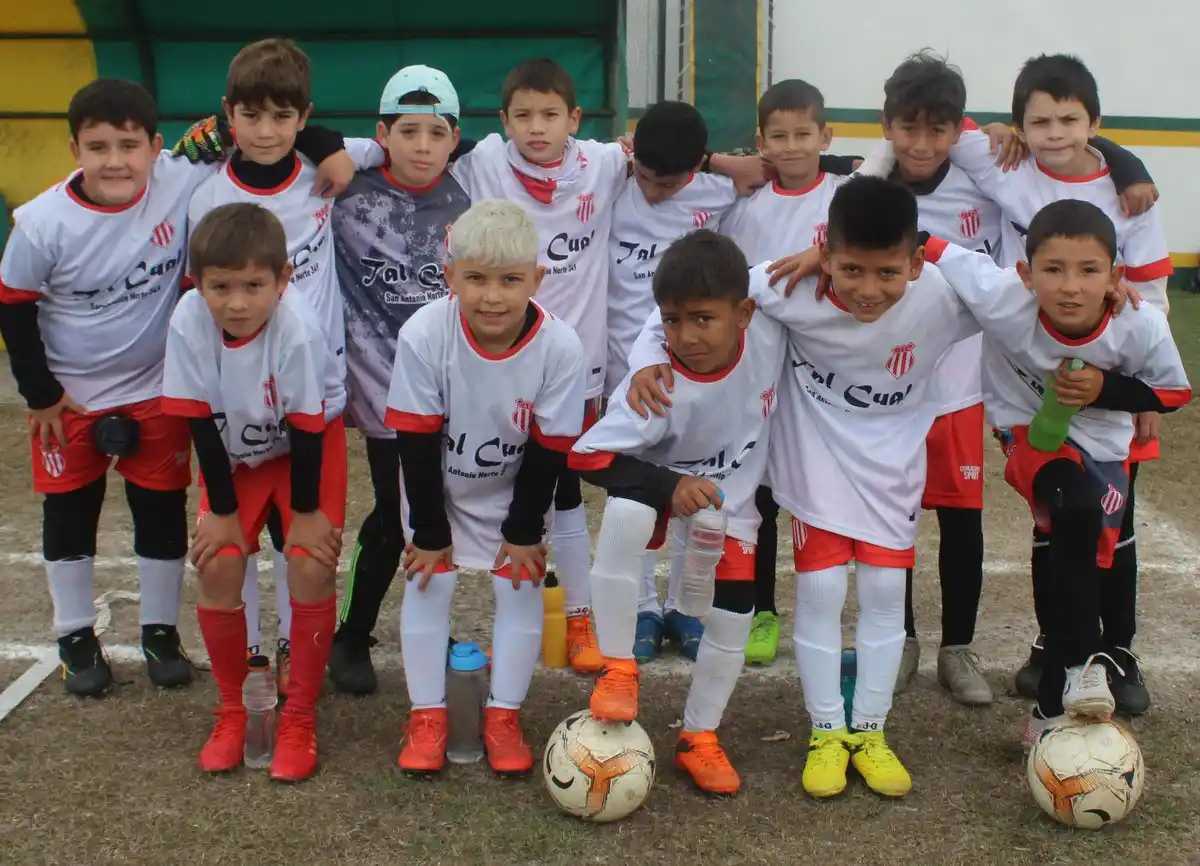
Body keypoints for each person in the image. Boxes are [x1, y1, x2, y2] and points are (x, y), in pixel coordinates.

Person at [627, 177, 990, 799]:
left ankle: (870, 732)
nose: (868, 290)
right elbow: (692, 296)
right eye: (850, 269)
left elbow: (1016, 296)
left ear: (914, 260)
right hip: (818, 463)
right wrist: (643, 357)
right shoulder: (787, 284)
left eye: (887, 273)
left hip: (893, 469)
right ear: (826, 252)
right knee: (820, 590)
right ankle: (826, 731)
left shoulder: (944, 296)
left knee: (883, 591)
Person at [450, 59, 762, 673]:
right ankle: (591, 607)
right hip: (545, 362)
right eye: (524, 116)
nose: (652, 187)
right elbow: (408, 139)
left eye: (550, 116)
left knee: (589, 487)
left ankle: (615, 614)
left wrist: (726, 164)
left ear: (573, 120)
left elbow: (784, 170)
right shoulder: (597, 167)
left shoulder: (629, 171)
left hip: (612, 369)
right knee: (550, 488)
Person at [944, 53, 1170, 713]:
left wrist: (1140, 389)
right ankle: (1057, 645)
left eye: (1070, 119)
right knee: (1055, 516)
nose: (1054, 132)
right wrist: (989, 130)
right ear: (1019, 126)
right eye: (1037, 120)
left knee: (1114, 519)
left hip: (1107, 382)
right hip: (1026, 381)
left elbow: (1151, 294)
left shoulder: (1129, 195)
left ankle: (1116, 651)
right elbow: (924, 119)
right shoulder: (1003, 165)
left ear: (1093, 123)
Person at [918, 199, 1189, 740]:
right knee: (1075, 510)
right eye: (1053, 270)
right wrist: (822, 249)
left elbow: (1173, 392)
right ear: (1024, 274)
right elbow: (920, 237)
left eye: (1089, 271)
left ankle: (1047, 712)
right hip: (1029, 435)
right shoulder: (1000, 293)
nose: (1070, 286)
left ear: (1116, 276)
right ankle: (1080, 667)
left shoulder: (1138, 325)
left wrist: (1105, 388)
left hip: (1103, 448)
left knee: (1082, 548)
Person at [0, 78, 219, 696]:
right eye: (98, 147)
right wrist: (39, 392)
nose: (115, 161)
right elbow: (14, 306)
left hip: (155, 386)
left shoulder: (180, 175)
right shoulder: (43, 223)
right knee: (70, 511)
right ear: (74, 149)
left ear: (155, 146)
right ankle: (74, 636)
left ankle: (158, 633)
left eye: (129, 145)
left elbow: (257, 116)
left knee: (159, 510)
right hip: (69, 395)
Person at [186, 38, 380, 693]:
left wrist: (333, 147)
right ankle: (245, 675)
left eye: (283, 116)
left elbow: (406, 142)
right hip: (237, 411)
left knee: (307, 550)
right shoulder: (204, 193)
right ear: (227, 116)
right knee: (225, 554)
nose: (266, 131)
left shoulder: (321, 173)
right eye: (251, 115)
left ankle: (302, 666)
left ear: (304, 116)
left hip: (313, 404)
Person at [572, 229, 785, 795]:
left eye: (701, 320)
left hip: (729, 511)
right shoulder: (657, 384)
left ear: (743, 314)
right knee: (626, 512)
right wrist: (668, 485)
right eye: (671, 320)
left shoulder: (772, 332)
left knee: (736, 615)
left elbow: (804, 280)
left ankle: (699, 737)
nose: (684, 336)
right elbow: (585, 456)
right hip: (666, 501)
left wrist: (816, 256)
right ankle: (619, 668)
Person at [386, 200, 586, 776]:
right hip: (438, 487)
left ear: (537, 279)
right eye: (475, 279)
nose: (492, 296)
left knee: (520, 585)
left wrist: (524, 531)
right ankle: (428, 715)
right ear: (450, 277)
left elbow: (551, 449)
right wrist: (429, 530)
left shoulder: (561, 347)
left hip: (515, 488)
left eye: (509, 280)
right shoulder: (425, 333)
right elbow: (416, 440)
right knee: (428, 582)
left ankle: (503, 715)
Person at [163, 202, 347, 782]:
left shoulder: (298, 328)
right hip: (233, 456)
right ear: (197, 283)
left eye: (253, 286)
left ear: (283, 280)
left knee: (309, 563)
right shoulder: (187, 321)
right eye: (220, 286)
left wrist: (308, 512)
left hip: (303, 449)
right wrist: (219, 512)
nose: (236, 303)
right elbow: (197, 421)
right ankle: (232, 709)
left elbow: (308, 428)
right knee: (217, 564)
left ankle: (298, 716)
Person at [327, 64, 471, 695]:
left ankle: (425, 628)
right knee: (396, 515)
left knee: (442, 514)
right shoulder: (343, 190)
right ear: (381, 133)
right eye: (405, 131)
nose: (420, 146)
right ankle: (352, 636)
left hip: (455, 391)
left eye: (434, 133)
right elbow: (278, 149)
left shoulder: (469, 191)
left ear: (454, 137)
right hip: (382, 390)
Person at [716, 79, 860, 666]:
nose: (794, 146)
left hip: (830, 370)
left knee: (822, 488)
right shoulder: (744, 209)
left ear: (825, 137)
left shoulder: (851, 193)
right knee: (763, 490)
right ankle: (760, 609)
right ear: (760, 142)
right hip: (762, 369)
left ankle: (828, 609)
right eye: (780, 135)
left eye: (805, 134)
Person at [606, 101, 739, 662]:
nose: (657, 191)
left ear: (697, 169)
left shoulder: (721, 194)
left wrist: (732, 166)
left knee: (695, 486)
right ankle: (640, 606)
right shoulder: (610, 179)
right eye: (649, 178)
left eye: (673, 182)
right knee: (632, 492)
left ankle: (686, 609)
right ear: (631, 151)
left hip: (694, 369)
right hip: (624, 370)